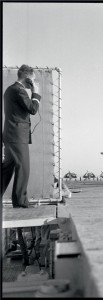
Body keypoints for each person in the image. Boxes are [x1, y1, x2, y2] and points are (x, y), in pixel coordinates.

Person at [2, 64, 41, 208]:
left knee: (7, 169)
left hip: (11, 134)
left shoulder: (10, 90)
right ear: (27, 77)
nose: (34, 83)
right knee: (23, 167)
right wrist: (35, 93)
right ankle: (20, 201)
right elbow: (32, 109)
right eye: (33, 79)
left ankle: (18, 199)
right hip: (17, 136)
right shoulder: (19, 91)